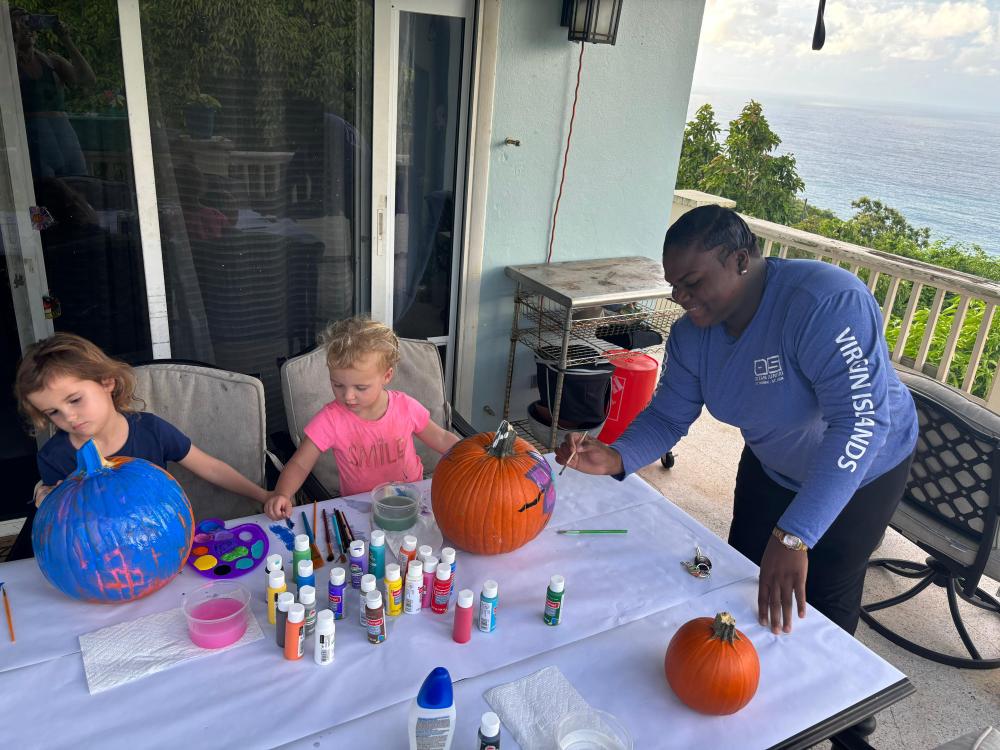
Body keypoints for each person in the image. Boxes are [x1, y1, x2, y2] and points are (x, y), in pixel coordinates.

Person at [556, 205, 918, 638]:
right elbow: (669, 414)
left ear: (741, 261)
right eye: (675, 287)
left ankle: (843, 705)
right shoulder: (694, 334)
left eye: (692, 283)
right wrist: (616, 456)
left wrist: (794, 535)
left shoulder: (824, 302)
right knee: (741, 578)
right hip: (772, 464)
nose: (681, 298)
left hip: (862, 472)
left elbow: (861, 424)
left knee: (821, 605)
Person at [14, 332, 272, 516]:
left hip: (165, 540)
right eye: (53, 412)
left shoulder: (152, 430)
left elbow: (210, 467)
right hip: (100, 561)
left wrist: (263, 495)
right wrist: (46, 500)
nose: (68, 417)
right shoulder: (54, 457)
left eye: (75, 400)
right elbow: (65, 525)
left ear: (107, 382)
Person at [266, 318, 460, 519]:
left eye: (360, 388)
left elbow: (441, 438)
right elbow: (300, 464)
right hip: (360, 508)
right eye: (337, 385)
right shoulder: (330, 419)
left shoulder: (405, 407)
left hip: (411, 501)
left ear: (387, 376)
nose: (348, 396)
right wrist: (282, 493)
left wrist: (474, 456)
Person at [11, 8, 95, 177]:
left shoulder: (52, 62)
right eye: (19, 24)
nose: (26, 28)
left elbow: (87, 79)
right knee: (47, 191)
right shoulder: (9, 65)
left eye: (28, 21)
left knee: (78, 183)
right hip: (34, 142)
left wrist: (66, 39)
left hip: (65, 139)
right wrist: (13, 40)